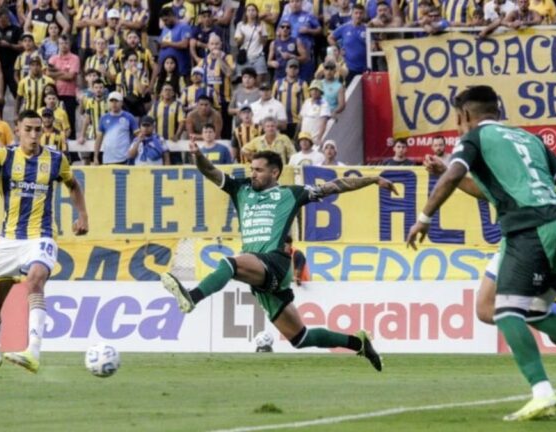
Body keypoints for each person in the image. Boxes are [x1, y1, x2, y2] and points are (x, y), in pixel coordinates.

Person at [406, 85, 556, 421]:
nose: (458, 126)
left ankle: (543, 394)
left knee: (505, 311)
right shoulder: (529, 140)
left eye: (458, 119)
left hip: (530, 229)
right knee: (536, 311)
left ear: (466, 116)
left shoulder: (474, 139)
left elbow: (457, 172)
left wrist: (424, 217)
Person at [424, 152, 556, 408]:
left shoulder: (489, 147)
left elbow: (485, 189)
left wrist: (445, 179)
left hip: (527, 236)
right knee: (529, 321)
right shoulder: (524, 151)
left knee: (498, 309)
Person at [160, 148, 396, 371]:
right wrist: (198, 155)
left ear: (275, 172)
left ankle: (192, 297)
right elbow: (210, 171)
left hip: (275, 262)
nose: (253, 173)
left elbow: (336, 186)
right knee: (300, 337)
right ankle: (360, 344)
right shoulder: (240, 189)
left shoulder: (291, 194)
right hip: (258, 270)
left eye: (258, 170)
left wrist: (373, 180)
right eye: (252, 169)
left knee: (229, 263)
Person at [0, 110, 87, 381]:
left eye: (37, 130)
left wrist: (82, 215)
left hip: (41, 236)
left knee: (36, 278)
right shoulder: (4, 156)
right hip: (9, 241)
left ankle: (33, 352)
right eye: (28, 129)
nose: (33, 134)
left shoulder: (55, 159)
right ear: (17, 129)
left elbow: (73, 185)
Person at [94, 91, 138, 165]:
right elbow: (99, 139)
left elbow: (138, 135)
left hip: (124, 159)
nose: (114, 104)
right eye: (111, 101)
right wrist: (95, 157)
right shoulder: (104, 118)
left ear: (121, 103)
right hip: (108, 159)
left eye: (116, 101)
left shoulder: (129, 117)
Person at [328, 4, 368, 84]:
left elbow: (374, 43)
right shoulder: (345, 27)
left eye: (360, 13)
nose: (358, 15)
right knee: (349, 93)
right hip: (349, 68)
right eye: (356, 13)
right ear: (352, 14)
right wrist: (338, 49)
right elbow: (330, 37)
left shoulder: (367, 28)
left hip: (365, 68)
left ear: (363, 14)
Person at [298, 80, 331, 146]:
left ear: (321, 92)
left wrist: (319, 138)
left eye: (317, 90)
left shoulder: (324, 104)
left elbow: (324, 122)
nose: (314, 91)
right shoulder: (307, 101)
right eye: (312, 89)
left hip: (314, 139)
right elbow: (301, 119)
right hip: (304, 137)